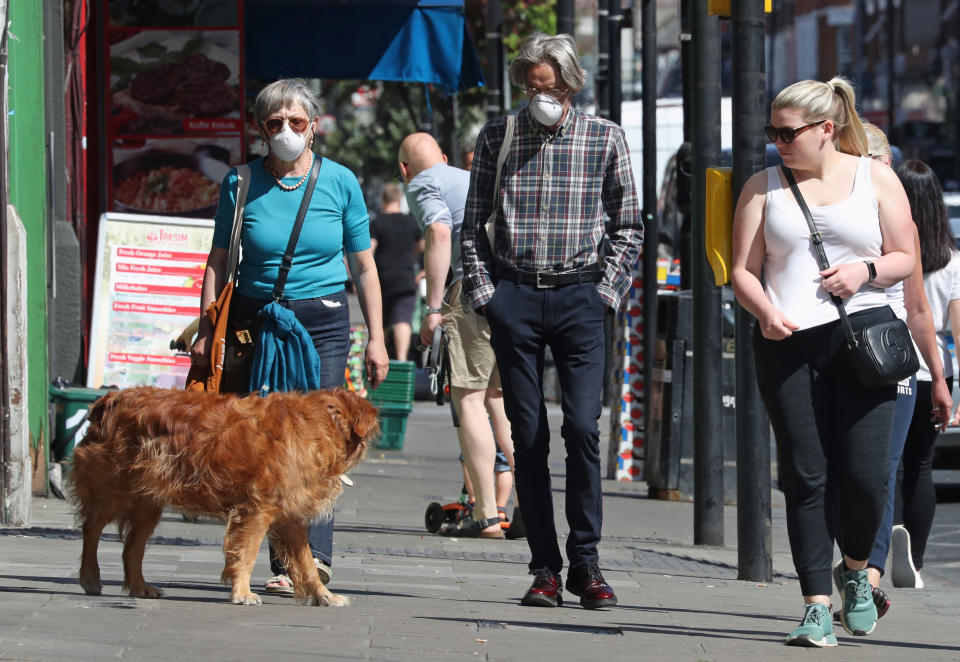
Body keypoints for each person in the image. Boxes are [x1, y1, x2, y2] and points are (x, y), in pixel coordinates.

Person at [460, 32, 642, 610]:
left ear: (570, 83)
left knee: (584, 429)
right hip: (516, 293)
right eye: (533, 87)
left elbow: (628, 225)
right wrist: (490, 295)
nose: (542, 97)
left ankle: (587, 561)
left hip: (580, 297)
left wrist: (605, 294)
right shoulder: (500, 135)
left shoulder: (604, 137)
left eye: (552, 87)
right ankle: (545, 568)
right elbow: (473, 225)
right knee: (528, 438)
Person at [731, 78, 915, 647]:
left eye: (789, 133)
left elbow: (907, 255)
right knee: (806, 477)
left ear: (826, 129)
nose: (779, 142)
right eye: (773, 132)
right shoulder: (762, 187)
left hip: (865, 340)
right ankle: (814, 605)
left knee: (865, 481)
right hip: (788, 344)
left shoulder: (875, 177)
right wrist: (764, 311)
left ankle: (856, 569)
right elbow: (741, 268)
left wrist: (866, 272)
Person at [191, 78, 389, 596]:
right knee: (259, 440)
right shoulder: (239, 183)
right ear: (260, 129)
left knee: (315, 439)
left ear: (314, 126)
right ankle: (267, 559)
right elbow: (218, 261)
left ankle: (311, 560)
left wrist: (377, 339)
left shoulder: (341, 182)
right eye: (274, 123)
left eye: (296, 123)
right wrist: (207, 329)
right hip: (254, 322)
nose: (285, 132)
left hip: (322, 320)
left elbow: (364, 267)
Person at [841, 127, 952, 619]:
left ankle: (866, 578)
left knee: (881, 472)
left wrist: (940, 377)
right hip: (833, 354)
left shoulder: (900, 221)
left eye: (879, 161)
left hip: (894, 359)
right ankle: (850, 566)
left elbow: (919, 308)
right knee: (833, 475)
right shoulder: (831, 212)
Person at [398, 132, 516, 539]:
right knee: (500, 400)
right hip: (509, 289)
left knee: (468, 398)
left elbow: (439, 232)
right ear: (445, 156)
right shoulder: (466, 177)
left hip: (469, 293)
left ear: (403, 169)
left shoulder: (421, 183)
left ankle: (485, 515)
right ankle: (532, 506)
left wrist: (432, 309)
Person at [891, 160, 960, 589]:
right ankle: (913, 563)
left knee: (889, 466)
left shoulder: (888, 253)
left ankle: (882, 552)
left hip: (889, 365)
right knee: (920, 466)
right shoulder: (952, 262)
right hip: (936, 374)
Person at [370, 182, 424, 361]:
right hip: (406, 277)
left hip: (382, 278)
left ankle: (382, 358)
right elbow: (422, 245)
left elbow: (370, 250)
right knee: (403, 318)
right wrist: (413, 260)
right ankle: (401, 359)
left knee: (381, 320)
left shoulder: (378, 222)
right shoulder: (411, 221)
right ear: (400, 199)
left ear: (384, 199)